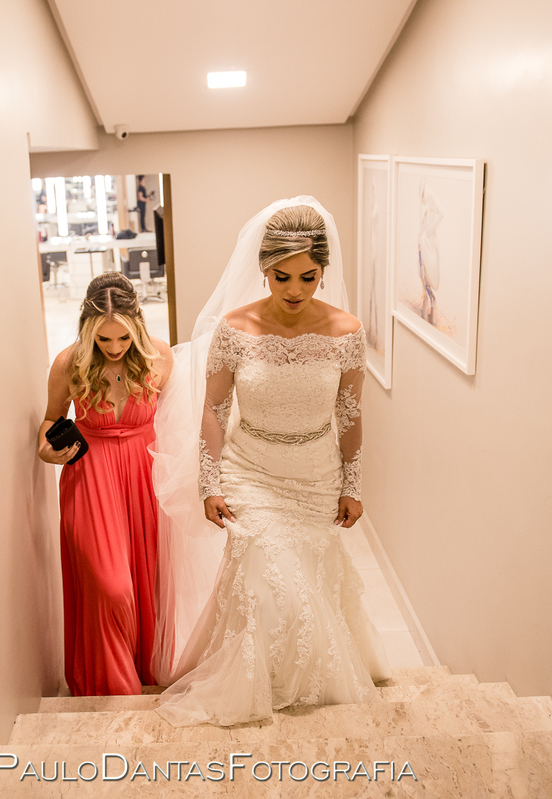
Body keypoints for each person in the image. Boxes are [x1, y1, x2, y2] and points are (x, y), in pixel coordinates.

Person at [152, 198, 391, 727]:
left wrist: (352, 485)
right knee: (264, 584)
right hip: (251, 471)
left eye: (308, 277)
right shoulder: (234, 329)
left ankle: (305, 675)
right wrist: (210, 483)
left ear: (323, 271)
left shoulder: (347, 332)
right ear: (263, 270)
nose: (295, 290)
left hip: (316, 475)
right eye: (282, 277)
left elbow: (350, 414)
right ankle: (256, 680)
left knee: (309, 581)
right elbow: (214, 410)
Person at [38, 272, 174, 696]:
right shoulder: (69, 363)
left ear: (138, 326)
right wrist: (46, 450)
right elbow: (51, 419)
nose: (114, 348)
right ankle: (114, 688)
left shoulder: (159, 357)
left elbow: (176, 421)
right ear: (88, 330)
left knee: (147, 579)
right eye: (103, 339)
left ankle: (144, 670)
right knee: (111, 586)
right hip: (90, 476)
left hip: (144, 474)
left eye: (123, 338)